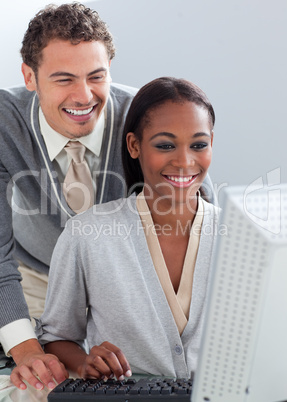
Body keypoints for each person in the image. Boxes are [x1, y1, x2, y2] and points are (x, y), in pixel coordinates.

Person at [35, 77, 220, 381]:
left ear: (211, 143)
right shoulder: (87, 235)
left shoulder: (242, 236)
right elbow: (57, 336)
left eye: (198, 145)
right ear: (135, 145)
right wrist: (84, 364)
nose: (185, 161)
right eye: (165, 145)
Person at [0, 2, 139, 390]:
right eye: (63, 79)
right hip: (35, 280)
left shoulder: (144, 115)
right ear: (30, 76)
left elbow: (203, 219)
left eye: (97, 76)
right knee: (32, 388)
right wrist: (28, 351)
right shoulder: (4, 122)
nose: (84, 96)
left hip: (124, 283)